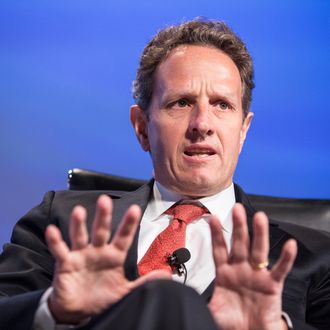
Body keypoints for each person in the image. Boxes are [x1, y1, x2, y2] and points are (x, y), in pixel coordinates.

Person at [0, 19, 330, 330]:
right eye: (181, 103)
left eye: (222, 105)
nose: (202, 124)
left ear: (243, 131)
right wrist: (54, 308)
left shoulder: (313, 255)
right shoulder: (65, 221)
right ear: (142, 128)